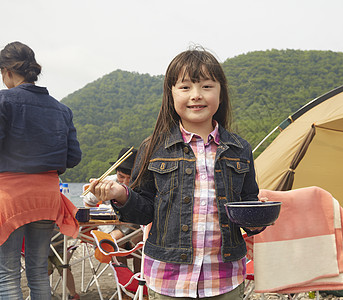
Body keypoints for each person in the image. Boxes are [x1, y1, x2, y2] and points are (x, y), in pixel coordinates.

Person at [89, 49, 264, 299]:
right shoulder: (153, 148)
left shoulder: (240, 149)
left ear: (220, 93)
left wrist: (257, 214)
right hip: (168, 277)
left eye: (206, 86)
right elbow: (145, 210)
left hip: (225, 276)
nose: (196, 95)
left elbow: (247, 203)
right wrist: (121, 194)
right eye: (185, 87)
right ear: (170, 94)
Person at [0, 41, 82, 299]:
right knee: (37, 271)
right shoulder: (62, 109)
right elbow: (73, 158)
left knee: (7, 274)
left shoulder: (4, 101)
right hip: (48, 197)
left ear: (7, 71)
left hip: (11, 196)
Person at [83, 147, 142, 272]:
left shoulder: (141, 185)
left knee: (141, 242)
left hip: (135, 229)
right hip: (110, 228)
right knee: (116, 241)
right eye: (121, 177)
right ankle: (123, 284)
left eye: (129, 178)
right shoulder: (108, 183)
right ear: (116, 172)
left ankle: (140, 282)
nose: (125, 182)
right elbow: (88, 201)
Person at [47, 230, 79, 300]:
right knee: (46, 271)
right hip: (40, 250)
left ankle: (73, 295)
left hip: (58, 250)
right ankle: (41, 294)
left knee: (65, 270)